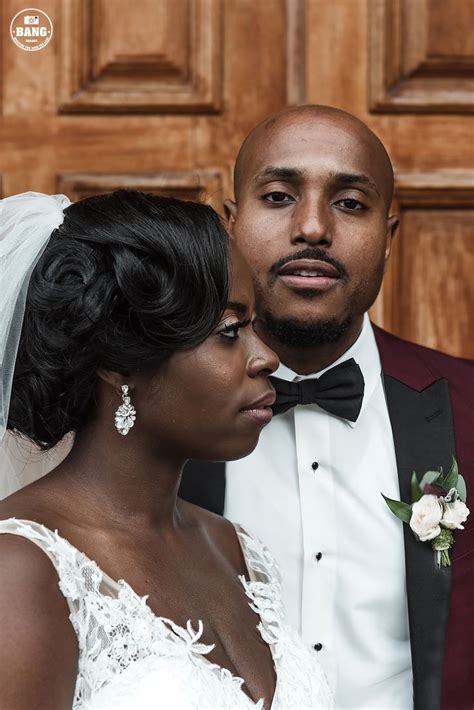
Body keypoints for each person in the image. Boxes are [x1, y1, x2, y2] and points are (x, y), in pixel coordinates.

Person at [180, 106, 474, 710]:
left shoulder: (468, 408)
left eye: (350, 203)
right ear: (230, 225)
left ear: (390, 238)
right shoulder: (155, 410)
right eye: (280, 196)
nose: (312, 227)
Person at [0, 190, 333, 709]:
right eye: (230, 330)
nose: (266, 357)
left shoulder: (236, 548)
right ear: (119, 361)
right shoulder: (22, 566)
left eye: (256, 328)